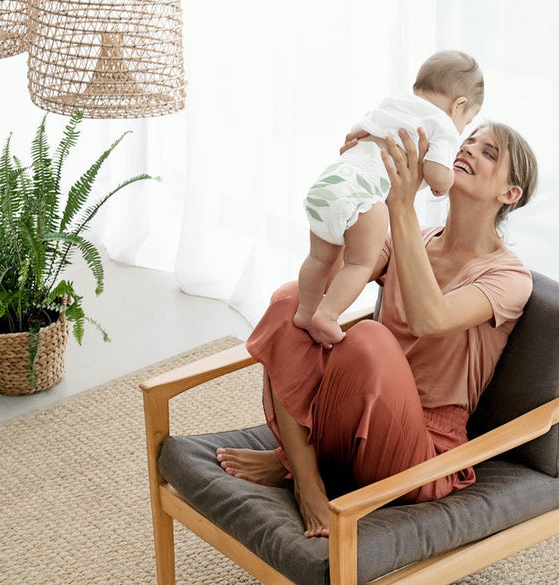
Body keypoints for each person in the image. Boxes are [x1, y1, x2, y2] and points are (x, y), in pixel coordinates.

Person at [218, 121, 539, 537]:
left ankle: (293, 465)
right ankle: (306, 479)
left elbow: (431, 318)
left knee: (369, 338)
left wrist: (402, 207)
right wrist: (355, 184)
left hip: (422, 451)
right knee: (291, 300)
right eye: (468, 142)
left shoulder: (510, 277)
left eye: (489, 153)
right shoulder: (415, 237)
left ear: (509, 194)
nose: (468, 150)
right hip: (356, 417)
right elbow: (328, 281)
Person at [294, 50, 484, 347]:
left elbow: (354, 136)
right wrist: (443, 182)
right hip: (363, 196)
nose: (461, 131)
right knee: (359, 263)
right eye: (467, 123)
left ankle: (306, 311)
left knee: (318, 258)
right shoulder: (443, 125)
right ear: (458, 105)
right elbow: (437, 174)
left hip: (330, 182)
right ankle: (327, 315)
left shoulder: (391, 103)